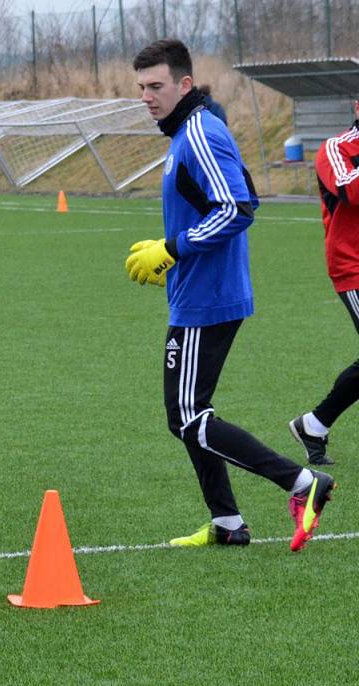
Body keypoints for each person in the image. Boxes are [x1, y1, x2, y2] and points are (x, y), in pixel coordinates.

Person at [125, 39, 333, 551]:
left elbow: (238, 208)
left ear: (184, 84)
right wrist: (168, 245)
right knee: (192, 413)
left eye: (156, 86)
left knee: (188, 417)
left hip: (208, 298)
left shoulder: (199, 134)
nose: (147, 97)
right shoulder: (185, 135)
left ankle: (303, 482)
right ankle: (227, 522)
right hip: (196, 293)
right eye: (142, 88)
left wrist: (172, 248)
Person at [289, 99, 359, 466]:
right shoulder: (336, 149)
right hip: (353, 265)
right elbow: (351, 191)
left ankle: (313, 425)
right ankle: (313, 425)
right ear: (357, 107)